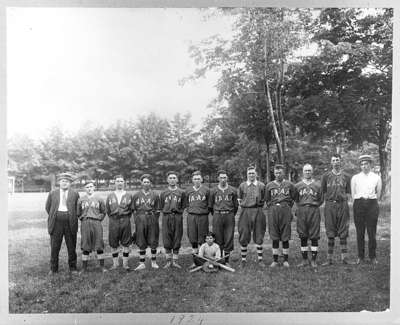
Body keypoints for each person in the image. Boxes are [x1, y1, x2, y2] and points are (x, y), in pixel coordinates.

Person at [321, 154, 355, 265]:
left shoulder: (346, 176)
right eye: (334, 160)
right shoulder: (326, 176)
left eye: (337, 160)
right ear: (331, 162)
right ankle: (329, 259)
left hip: (343, 204)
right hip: (330, 205)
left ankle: (344, 258)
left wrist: (346, 201)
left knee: (343, 230)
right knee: (330, 230)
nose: (336, 162)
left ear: (340, 162)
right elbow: (323, 191)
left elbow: (349, 192)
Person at [45, 172, 80, 275]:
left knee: (71, 246)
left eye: (67, 181)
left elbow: (77, 208)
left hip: (70, 223)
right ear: (59, 182)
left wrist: (71, 216)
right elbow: (48, 207)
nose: (65, 183)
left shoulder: (75, 193)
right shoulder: (53, 193)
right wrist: (56, 215)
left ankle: (73, 268)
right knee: (55, 246)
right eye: (63, 181)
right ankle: (53, 268)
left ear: (70, 183)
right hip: (56, 223)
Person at [351, 155, 382, 265]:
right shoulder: (355, 177)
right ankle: (360, 256)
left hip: (372, 204)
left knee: (371, 231)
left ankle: (372, 257)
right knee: (360, 231)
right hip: (359, 203)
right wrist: (359, 202)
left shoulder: (376, 177)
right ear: (360, 165)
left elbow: (378, 193)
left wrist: (371, 201)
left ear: (370, 164)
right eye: (362, 164)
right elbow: (353, 193)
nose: (364, 166)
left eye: (366, 164)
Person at [265, 164, 297, 268]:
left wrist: (287, 206)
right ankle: (275, 260)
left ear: (283, 173)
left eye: (280, 172)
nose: (278, 174)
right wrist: (274, 206)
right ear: (274, 173)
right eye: (276, 172)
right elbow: (267, 199)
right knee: (274, 235)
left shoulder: (289, 184)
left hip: (285, 210)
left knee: (285, 235)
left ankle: (285, 260)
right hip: (273, 210)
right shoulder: (269, 185)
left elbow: (294, 197)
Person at [294, 164, 323, 268]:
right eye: (306, 170)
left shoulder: (318, 185)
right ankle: (304, 260)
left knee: (314, 235)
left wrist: (313, 206)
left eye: (309, 170)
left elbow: (321, 199)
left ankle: (314, 260)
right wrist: (302, 206)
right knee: (303, 235)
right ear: (303, 172)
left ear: (312, 171)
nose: (307, 172)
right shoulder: (297, 186)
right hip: (302, 210)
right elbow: (296, 199)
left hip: (314, 210)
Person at [237, 166, 266, 266]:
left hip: (258, 210)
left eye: (253, 173)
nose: (251, 175)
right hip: (246, 211)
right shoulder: (242, 185)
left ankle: (260, 260)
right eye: (249, 173)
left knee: (259, 233)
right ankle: (244, 260)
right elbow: (239, 199)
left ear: (256, 174)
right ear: (247, 174)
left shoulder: (261, 185)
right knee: (244, 234)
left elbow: (264, 198)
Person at [209, 170, 238, 266]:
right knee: (218, 237)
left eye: (224, 177)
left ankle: (226, 260)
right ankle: (219, 259)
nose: (223, 179)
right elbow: (210, 206)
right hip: (217, 214)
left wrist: (230, 214)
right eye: (221, 177)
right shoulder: (213, 191)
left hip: (229, 215)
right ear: (218, 178)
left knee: (229, 237)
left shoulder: (233, 190)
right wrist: (216, 213)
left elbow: (236, 206)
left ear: (227, 178)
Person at [132, 174, 161, 270]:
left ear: (150, 183)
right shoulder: (136, 195)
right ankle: (142, 263)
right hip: (140, 218)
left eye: (148, 182)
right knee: (141, 239)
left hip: (151, 217)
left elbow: (158, 209)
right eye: (144, 182)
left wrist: (154, 218)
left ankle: (153, 262)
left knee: (153, 239)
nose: (146, 183)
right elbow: (133, 209)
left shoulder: (155, 195)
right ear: (141, 183)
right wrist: (137, 219)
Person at [77, 179, 107, 273]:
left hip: (96, 223)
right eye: (87, 187)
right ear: (84, 188)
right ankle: (84, 267)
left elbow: (103, 211)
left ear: (94, 187)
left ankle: (102, 266)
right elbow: (78, 213)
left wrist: (98, 218)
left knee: (99, 243)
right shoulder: (81, 199)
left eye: (91, 187)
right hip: (85, 223)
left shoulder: (99, 198)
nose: (89, 188)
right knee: (85, 243)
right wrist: (83, 218)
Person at [106, 175, 133, 271]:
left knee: (126, 242)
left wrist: (125, 217)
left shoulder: (128, 195)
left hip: (125, 220)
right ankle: (115, 264)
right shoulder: (110, 195)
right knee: (113, 242)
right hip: (113, 221)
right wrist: (114, 218)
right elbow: (108, 210)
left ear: (124, 182)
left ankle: (125, 264)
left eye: (121, 181)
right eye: (117, 181)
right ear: (115, 182)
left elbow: (131, 210)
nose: (120, 183)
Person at [159, 171, 187, 269]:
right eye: (170, 178)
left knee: (177, 237)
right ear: (167, 180)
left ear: (177, 179)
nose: (172, 180)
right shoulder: (163, 193)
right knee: (167, 238)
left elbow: (183, 206)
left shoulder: (182, 192)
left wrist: (179, 212)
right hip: (166, 216)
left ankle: (175, 261)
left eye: (174, 178)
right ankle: (167, 261)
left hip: (177, 216)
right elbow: (161, 206)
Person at [185, 171, 211, 269]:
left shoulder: (207, 190)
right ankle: (195, 262)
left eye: (198, 179)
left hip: (203, 216)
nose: (197, 180)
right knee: (193, 237)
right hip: (191, 216)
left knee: (203, 237)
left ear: (201, 179)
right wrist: (190, 210)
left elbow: (210, 204)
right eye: (195, 179)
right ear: (192, 180)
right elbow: (186, 204)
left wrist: (204, 211)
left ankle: (203, 260)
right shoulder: (188, 191)